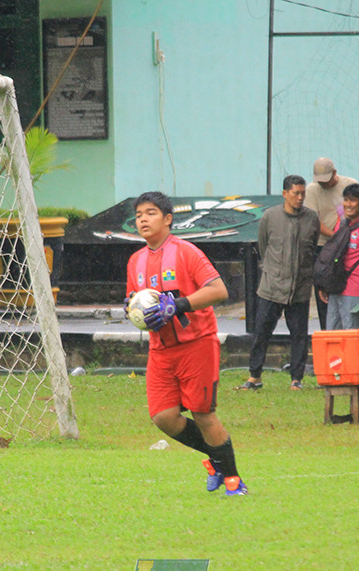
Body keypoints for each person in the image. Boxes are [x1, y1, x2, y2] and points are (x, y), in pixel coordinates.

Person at [125, 191, 248, 496]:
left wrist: (177, 305)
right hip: (161, 349)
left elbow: (219, 290)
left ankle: (233, 480)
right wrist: (133, 308)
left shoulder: (186, 252)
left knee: (203, 414)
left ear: (168, 219)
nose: (143, 219)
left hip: (197, 344)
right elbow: (133, 301)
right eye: (139, 214)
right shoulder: (135, 260)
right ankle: (217, 459)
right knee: (163, 417)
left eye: (151, 213)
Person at [240, 174, 319, 391]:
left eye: (303, 193)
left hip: (300, 289)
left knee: (299, 336)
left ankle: (296, 379)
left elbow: (311, 249)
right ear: (285, 194)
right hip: (271, 288)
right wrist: (273, 271)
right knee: (261, 333)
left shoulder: (312, 218)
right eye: (296, 193)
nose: (300, 198)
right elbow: (264, 247)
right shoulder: (269, 216)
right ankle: (254, 377)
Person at [318, 182, 359, 330]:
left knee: (353, 335)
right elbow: (333, 256)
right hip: (336, 288)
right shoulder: (341, 225)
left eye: (353, 200)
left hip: (356, 291)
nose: (348, 204)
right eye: (346, 200)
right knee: (333, 333)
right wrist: (324, 284)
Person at [304, 157, 358, 329]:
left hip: (348, 246)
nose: (324, 185)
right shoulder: (312, 190)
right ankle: (327, 330)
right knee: (324, 291)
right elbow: (313, 220)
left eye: (326, 181)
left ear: (334, 173)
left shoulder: (349, 184)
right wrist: (335, 236)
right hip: (324, 247)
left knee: (348, 290)